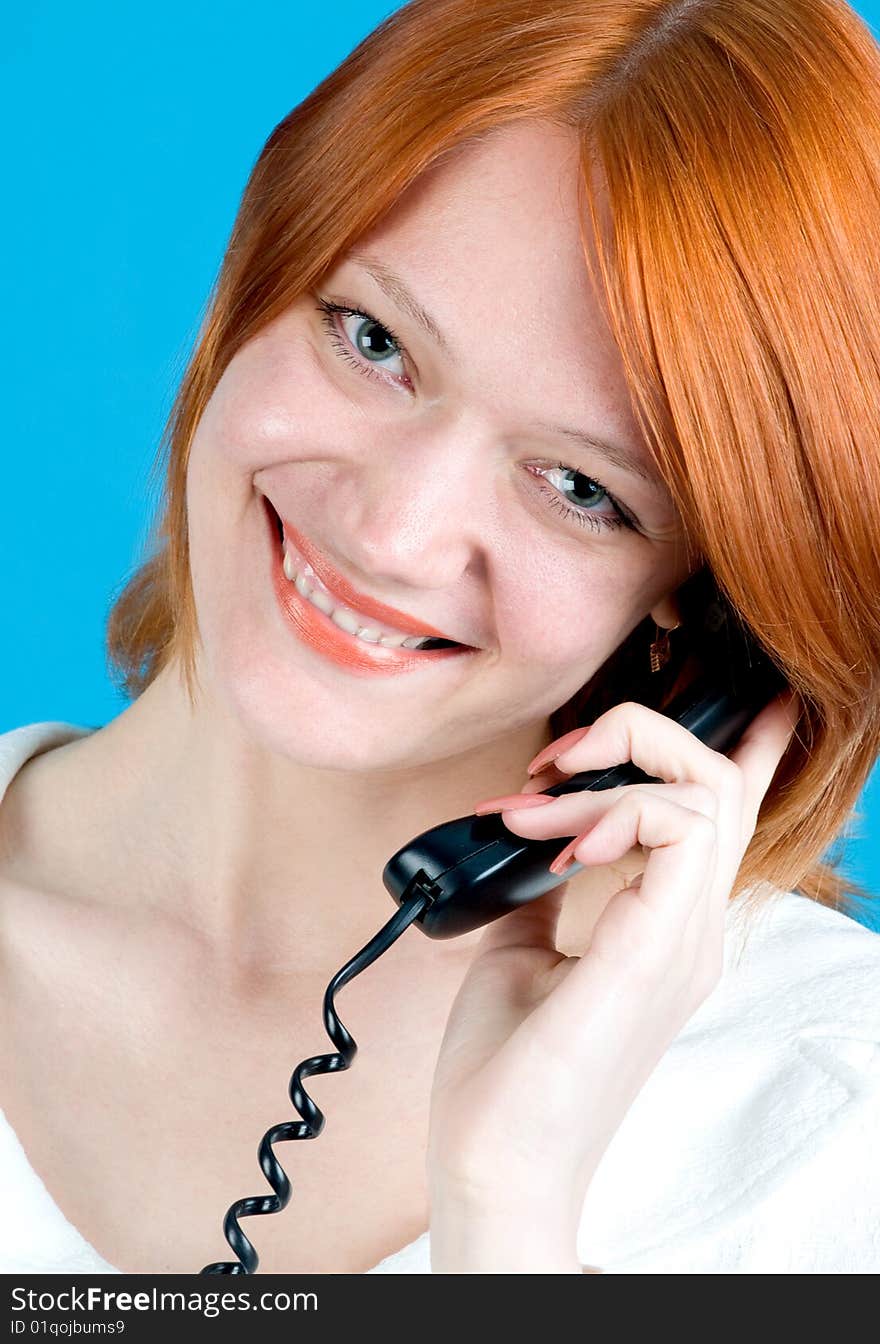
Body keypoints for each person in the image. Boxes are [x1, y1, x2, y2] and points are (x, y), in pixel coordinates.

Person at [2, 0, 880, 1276]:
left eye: (581, 488)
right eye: (374, 343)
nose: (396, 535)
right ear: (253, 286)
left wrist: (510, 1208)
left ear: (707, 601)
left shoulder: (819, 1113)